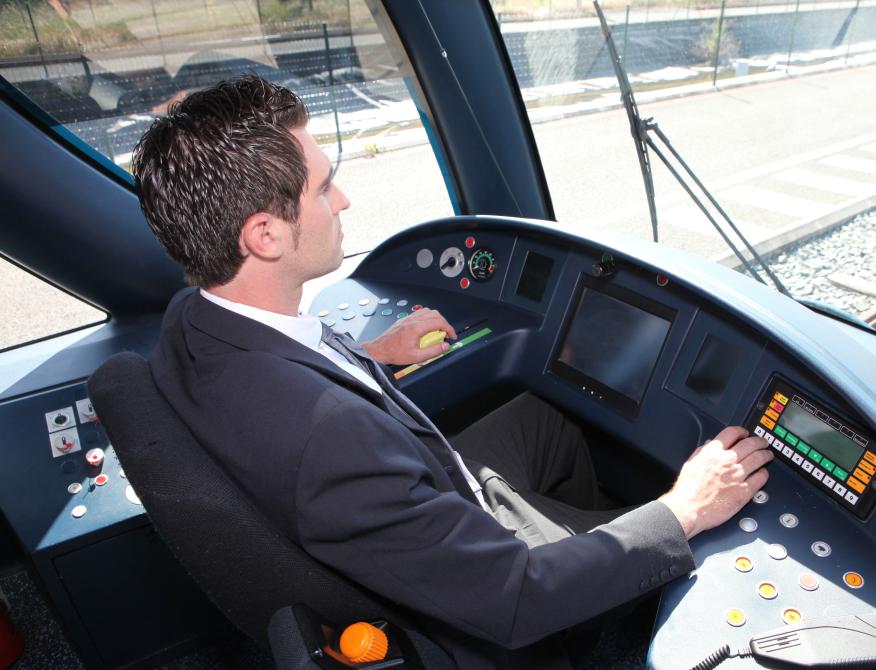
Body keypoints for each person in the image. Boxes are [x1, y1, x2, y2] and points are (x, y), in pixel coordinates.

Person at [131, 75, 772, 669]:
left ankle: (577, 533)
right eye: (323, 188)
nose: (343, 199)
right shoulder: (330, 440)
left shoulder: (196, 319)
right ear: (265, 236)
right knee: (707, 529)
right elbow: (516, 597)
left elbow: (296, 381)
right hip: (499, 596)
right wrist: (683, 509)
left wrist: (371, 357)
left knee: (547, 418)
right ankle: (590, 615)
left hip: (436, 494)